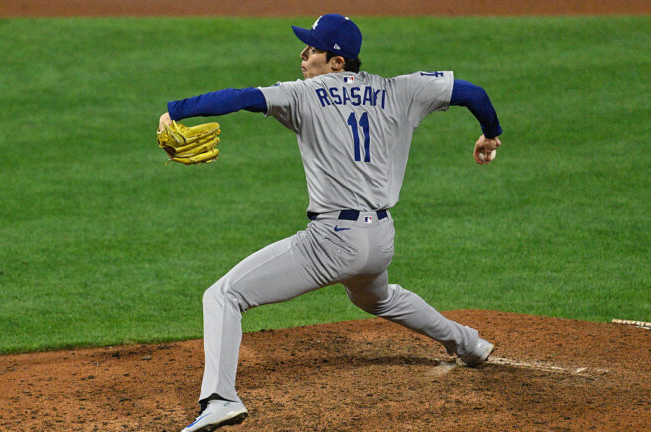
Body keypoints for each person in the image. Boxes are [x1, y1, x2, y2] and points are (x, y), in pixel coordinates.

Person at [160, 14, 503, 432]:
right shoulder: (402, 89)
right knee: (377, 300)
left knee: (224, 296)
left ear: (337, 62)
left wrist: (175, 111)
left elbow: (240, 97)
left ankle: (220, 399)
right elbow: (474, 93)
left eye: (313, 49)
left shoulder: (305, 94)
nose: (303, 55)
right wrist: (490, 133)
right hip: (380, 238)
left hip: (333, 242)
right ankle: (467, 343)